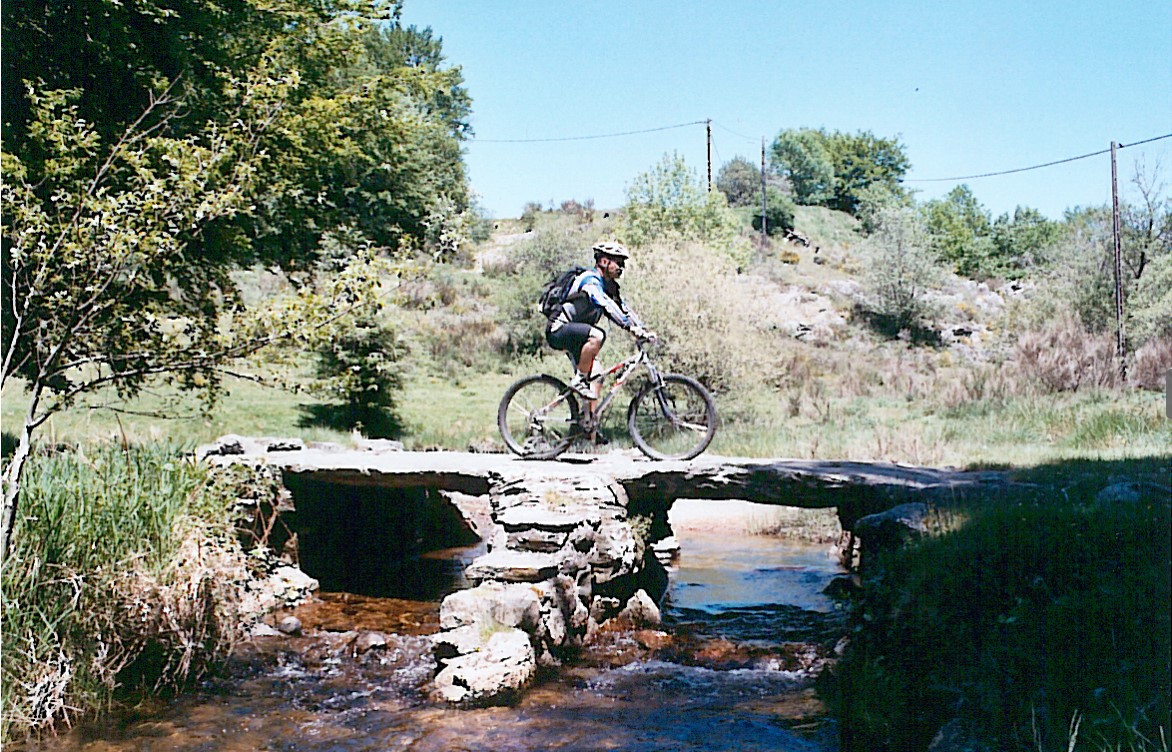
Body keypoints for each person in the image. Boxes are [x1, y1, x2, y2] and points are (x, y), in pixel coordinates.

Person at [545, 241, 656, 405]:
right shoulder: (590, 281)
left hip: (577, 337)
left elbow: (624, 309)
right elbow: (605, 304)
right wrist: (628, 327)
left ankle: (588, 420)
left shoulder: (609, 287)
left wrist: (641, 329)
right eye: (618, 262)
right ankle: (579, 380)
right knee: (597, 335)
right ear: (604, 261)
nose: (621, 268)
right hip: (558, 329)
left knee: (597, 375)